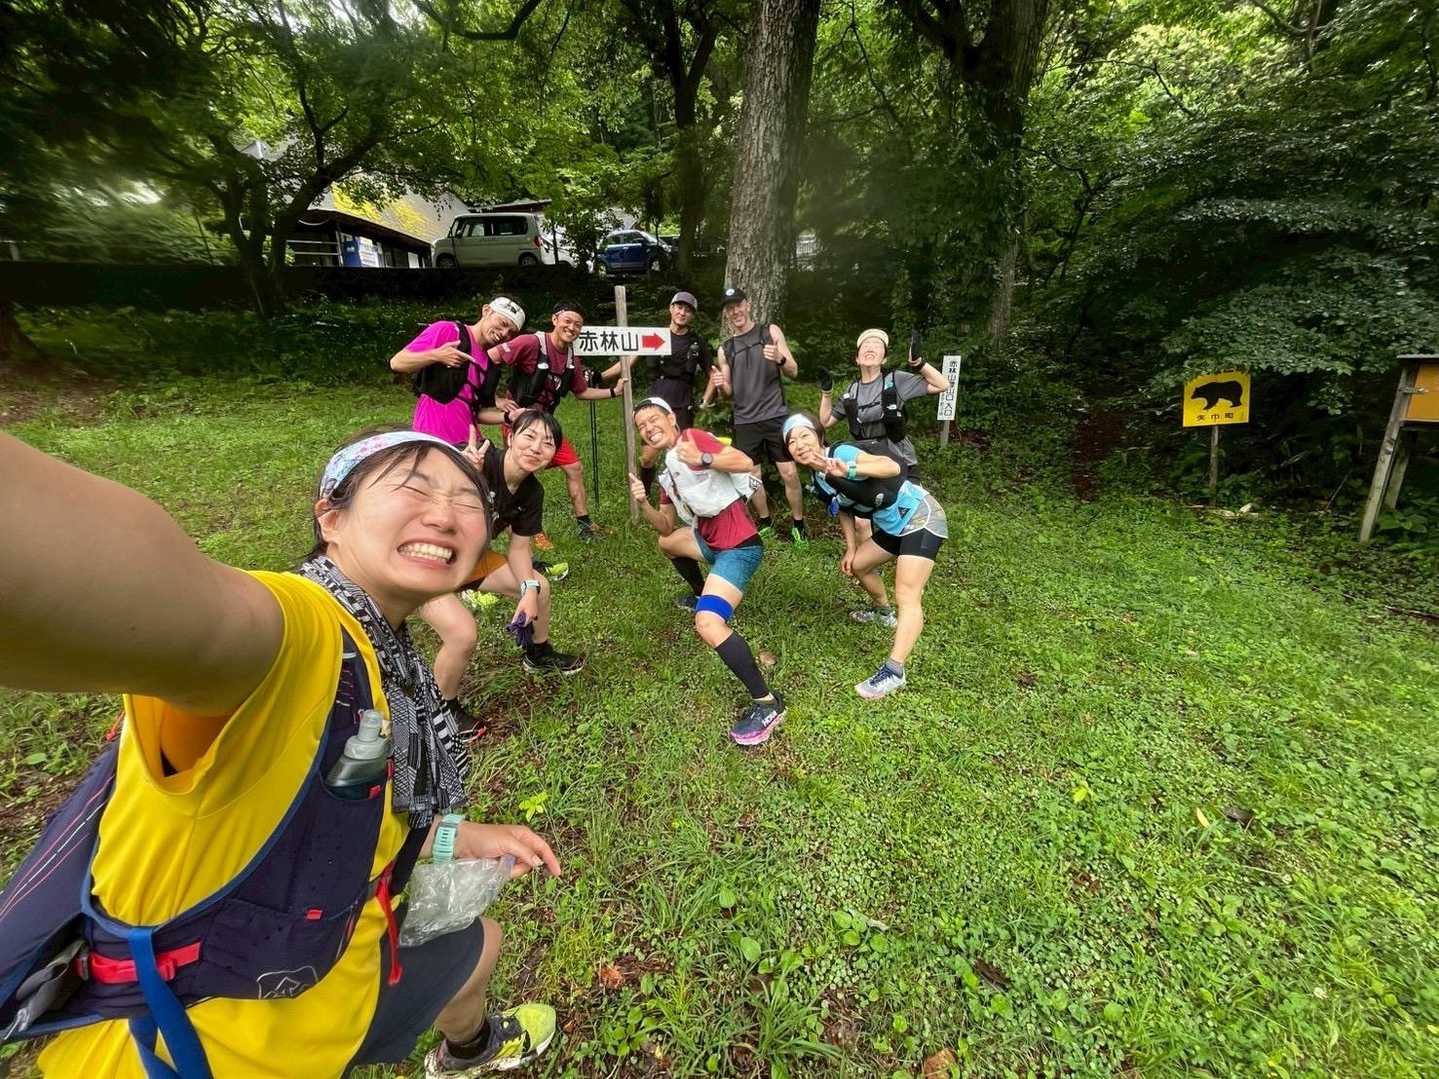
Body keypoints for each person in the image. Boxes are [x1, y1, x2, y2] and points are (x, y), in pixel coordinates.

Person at [0, 428, 561, 1076]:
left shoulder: (392, 666)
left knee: (476, 946)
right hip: (186, 1051)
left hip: (335, 978)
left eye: (467, 498)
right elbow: (155, 590)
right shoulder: (300, 634)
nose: (444, 512)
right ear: (331, 517)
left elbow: (352, 811)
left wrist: (451, 836)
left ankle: (469, 1046)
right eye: (413, 486)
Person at [627, 397, 786, 746]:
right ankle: (702, 592)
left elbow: (743, 461)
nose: (648, 428)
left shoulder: (693, 439)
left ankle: (768, 704)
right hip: (710, 541)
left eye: (654, 419)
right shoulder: (669, 472)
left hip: (739, 547)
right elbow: (665, 526)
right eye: (642, 426)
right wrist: (643, 503)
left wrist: (704, 458)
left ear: (672, 418)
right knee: (666, 544)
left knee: (708, 624)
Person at [782, 412, 948, 700]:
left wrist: (848, 469)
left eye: (804, 435)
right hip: (893, 526)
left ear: (819, 436)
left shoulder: (841, 453)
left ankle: (895, 671)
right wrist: (851, 548)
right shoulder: (818, 479)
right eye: (792, 441)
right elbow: (844, 509)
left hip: (920, 517)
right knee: (859, 565)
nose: (799, 444)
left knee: (907, 593)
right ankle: (884, 614)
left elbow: (890, 466)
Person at [423, 411, 585, 695]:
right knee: (462, 634)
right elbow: (428, 479)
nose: (536, 448)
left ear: (553, 455)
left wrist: (528, 589)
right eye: (529, 436)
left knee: (539, 588)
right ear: (510, 438)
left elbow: (519, 547)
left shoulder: (532, 492)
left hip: (470, 560)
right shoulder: (477, 461)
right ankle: (443, 707)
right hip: (427, 561)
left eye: (547, 443)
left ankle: (538, 655)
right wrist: (462, 471)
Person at [491, 301, 626, 541]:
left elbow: (581, 392)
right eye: (567, 321)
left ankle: (585, 525)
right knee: (520, 473)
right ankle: (526, 531)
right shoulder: (531, 342)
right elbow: (488, 358)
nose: (572, 327)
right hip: (519, 423)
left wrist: (613, 392)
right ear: (555, 320)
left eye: (578, 324)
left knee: (574, 467)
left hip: (546, 424)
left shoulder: (572, 357)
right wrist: (495, 399)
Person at [713, 287, 807, 545]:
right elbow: (728, 393)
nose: (735, 311)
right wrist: (720, 385)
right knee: (752, 477)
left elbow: (794, 371)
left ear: (748, 305)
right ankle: (765, 521)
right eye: (730, 308)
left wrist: (780, 358)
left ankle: (799, 524)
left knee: (789, 473)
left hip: (775, 415)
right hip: (745, 420)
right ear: (726, 313)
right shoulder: (726, 349)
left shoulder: (770, 332)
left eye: (738, 305)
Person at [601, 290, 716, 496]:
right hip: (655, 403)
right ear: (671, 309)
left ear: (692, 315)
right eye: (679, 307)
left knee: (682, 454)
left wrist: (705, 402)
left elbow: (713, 375)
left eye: (688, 310)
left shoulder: (696, 342)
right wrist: (599, 377)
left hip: (682, 403)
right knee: (647, 457)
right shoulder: (655, 336)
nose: (682, 313)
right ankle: (644, 494)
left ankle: (683, 496)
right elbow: (627, 363)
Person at [389, 296, 527, 445]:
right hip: (433, 436)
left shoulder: (490, 367)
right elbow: (397, 363)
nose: (504, 333)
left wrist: (508, 417)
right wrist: (437, 355)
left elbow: (477, 413)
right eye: (503, 323)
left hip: (467, 443)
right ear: (486, 310)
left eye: (511, 332)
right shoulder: (448, 331)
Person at [819, 328, 950, 478]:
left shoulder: (896, 380)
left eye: (877, 345)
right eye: (866, 344)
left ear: (884, 359)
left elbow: (943, 385)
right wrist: (826, 393)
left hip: (902, 463)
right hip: (869, 466)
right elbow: (825, 421)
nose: (870, 347)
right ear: (857, 359)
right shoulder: (852, 391)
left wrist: (918, 363)